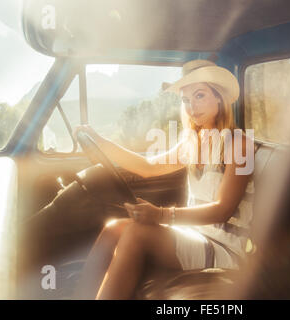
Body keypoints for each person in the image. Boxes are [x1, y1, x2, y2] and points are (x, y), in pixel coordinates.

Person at [73, 59, 255, 299]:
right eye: (186, 100)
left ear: (219, 98)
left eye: (199, 96)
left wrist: (160, 215)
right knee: (114, 227)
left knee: (137, 234)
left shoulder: (240, 144)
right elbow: (147, 166)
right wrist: (100, 140)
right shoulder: (195, 142)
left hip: (224, 249)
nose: (191, 107)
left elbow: (223, 210)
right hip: (195, 234)